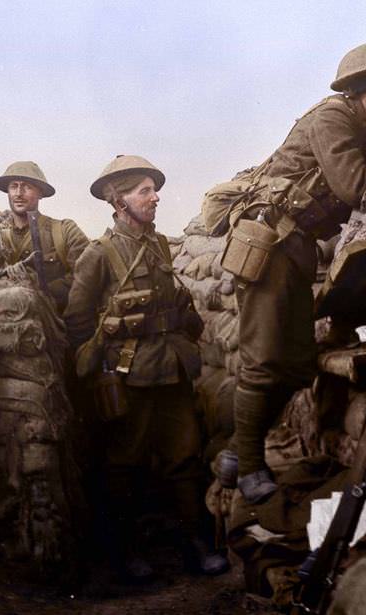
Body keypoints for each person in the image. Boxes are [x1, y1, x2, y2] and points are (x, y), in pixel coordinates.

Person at [220, 42, 366, 504]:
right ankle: (247, 465)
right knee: (265, 359)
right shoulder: (332, 119)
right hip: (270, 247)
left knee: (295, 364)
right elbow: (354, 186)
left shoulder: (355, 124)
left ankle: (236, 451)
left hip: (292, 248)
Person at [64, 155, 229, 580]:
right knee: (124, 464)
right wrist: (99, 377)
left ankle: (195, 544)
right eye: (144, 191)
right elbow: (79, 322)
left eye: (154, 190)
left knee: (184, 456)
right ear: (118, 201)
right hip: (128, 373)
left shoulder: (158, 245)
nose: (155, 198)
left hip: (171, 368)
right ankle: (126, 552)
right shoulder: (98, 255)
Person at [0, 161, 89, 314]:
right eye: (14, 186)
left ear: (41, 193)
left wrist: (40, 292)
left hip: (59, 326)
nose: (18, 193)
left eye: (27, 186)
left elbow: (86, 276)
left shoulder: (65, 231)